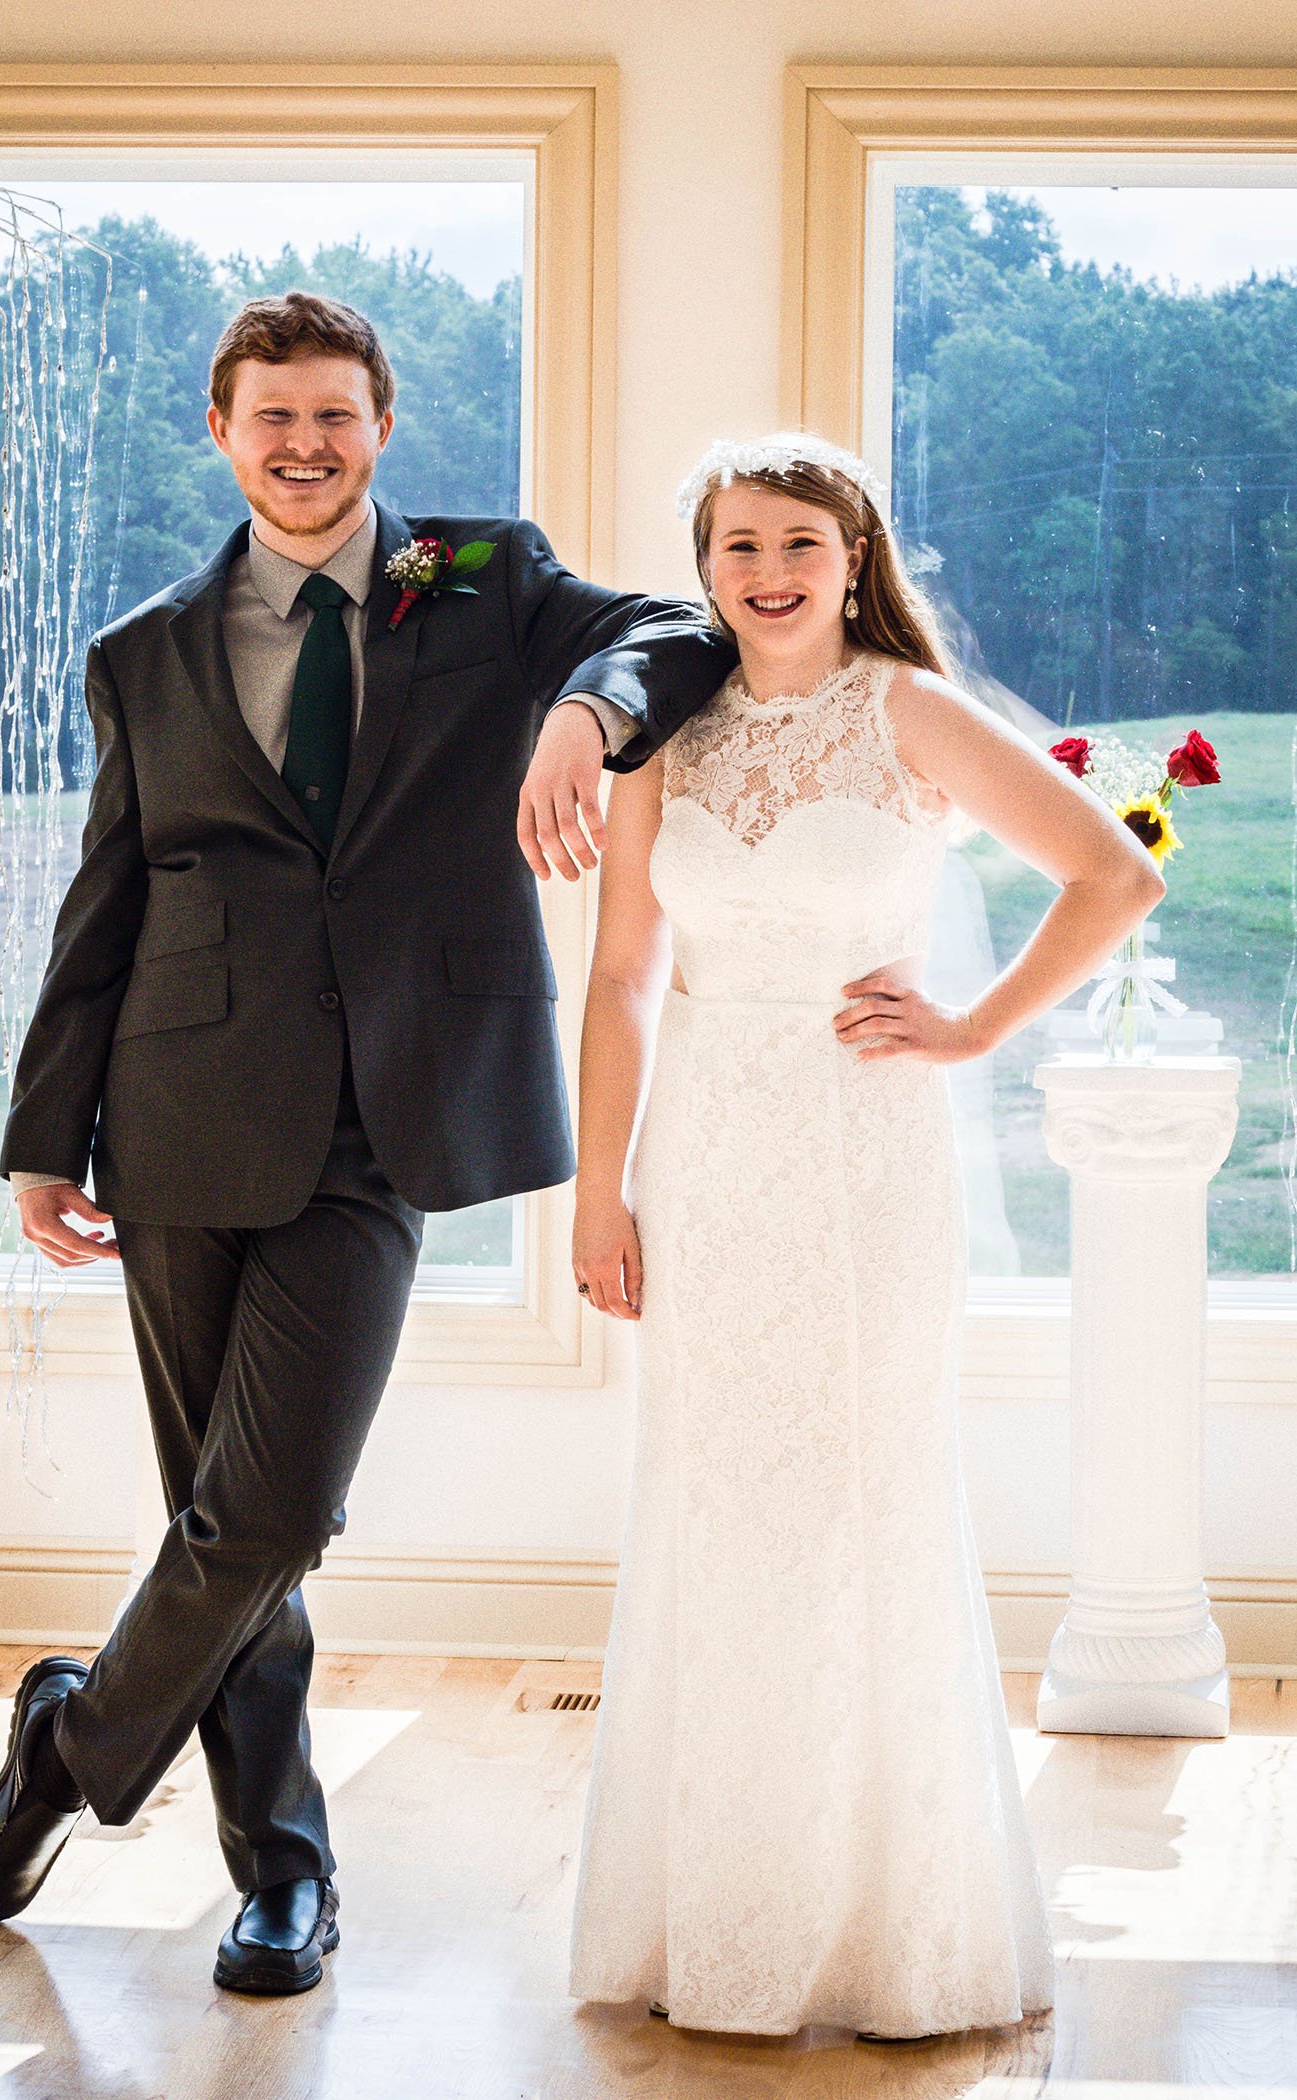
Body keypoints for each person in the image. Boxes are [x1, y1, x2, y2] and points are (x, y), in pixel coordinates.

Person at [0, 289, 734, 1993]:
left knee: (278, 1505)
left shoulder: (484, 578)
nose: (305, 447)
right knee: (221, 1517)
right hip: (173, 1111)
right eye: (272, 418)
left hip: (386, 1112)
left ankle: (67, 1749)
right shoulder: (142, 650)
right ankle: (281, 1876)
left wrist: (581, 718)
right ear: (220, 434)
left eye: (336, 418)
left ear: (382, 428)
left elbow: (680, 626)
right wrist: (41, 1137)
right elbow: (107, 903)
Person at [551, 432, 1165, 2040]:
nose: (768, 574)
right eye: (739, 546)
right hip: (706, 1138)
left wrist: (971, 1029)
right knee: (716, 1497)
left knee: (862, 1496)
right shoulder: (662, 741)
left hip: (866, 1145)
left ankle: (898, 1936)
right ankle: (721, 1925)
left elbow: (1112, 872)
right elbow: (621, 975)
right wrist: (599, 1184)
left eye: (798, 546)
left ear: (852, 558)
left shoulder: (908, 712)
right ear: (706, 568)